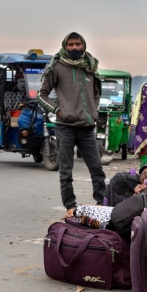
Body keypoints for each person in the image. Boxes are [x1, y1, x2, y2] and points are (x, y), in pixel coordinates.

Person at [38, 32, 106, 218]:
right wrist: (58, 110)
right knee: (66, 170)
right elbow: (41, 95)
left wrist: (93, 111)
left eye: (78, 44)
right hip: (65, 126)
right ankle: (70, 206)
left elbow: (96, 93)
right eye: (71, 45)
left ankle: (102, 202)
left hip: (87, 127)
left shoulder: (91, 66)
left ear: (83, 45)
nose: (75, 48)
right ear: (65, 46)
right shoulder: (57, 66)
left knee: (97, 168)